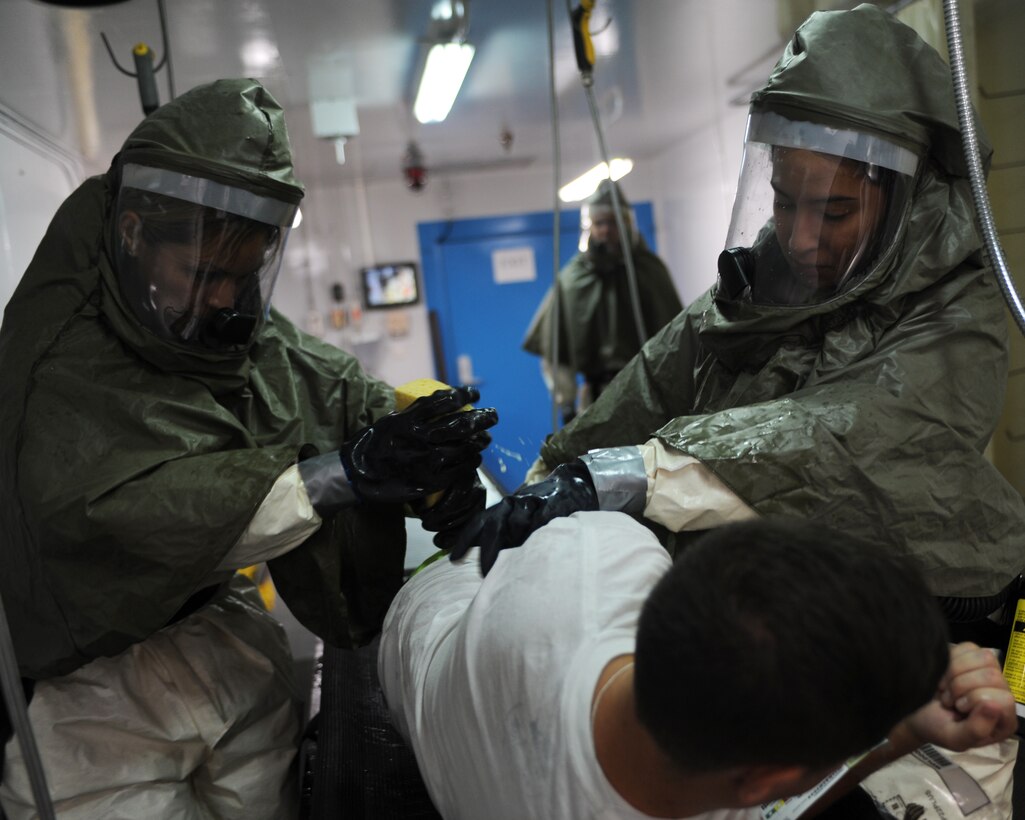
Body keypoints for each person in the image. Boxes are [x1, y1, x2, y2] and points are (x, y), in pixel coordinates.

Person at [0, 78, 497, 819]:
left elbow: (321, 384)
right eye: (205, 274)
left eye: (244, 276)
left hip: (224, 642)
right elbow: (137, 512)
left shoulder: (212, 325)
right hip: (95, 702)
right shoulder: (58, 363)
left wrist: (428, 439)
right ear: (132, 233)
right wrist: (346, 474)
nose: (228, 300)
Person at [437, 3, 1025, 600]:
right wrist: (551, 478)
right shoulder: (764, 285)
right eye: (784, 202)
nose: (800, 239)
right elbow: (652, 383)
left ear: (903, 197)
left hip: (866, 610)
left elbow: (859, 437)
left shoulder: (955, 312)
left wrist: (632, 476)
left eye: (834, 211)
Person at [379, 511, 1017, 820]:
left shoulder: (604, 552)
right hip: (434, 652)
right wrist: (896, 733)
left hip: (431, 611)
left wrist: (905, 727)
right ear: (764, 782)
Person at [522, 179, 683, 423]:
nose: (606, 230)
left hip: (647, 394)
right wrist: (565, 402)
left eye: (614, 222)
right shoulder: (572, 278)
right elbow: (555, 350)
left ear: (627, 224)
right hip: (596, 399)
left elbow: (676, 339)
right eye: (599, 223)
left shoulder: (649, 271)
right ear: (590, 226)